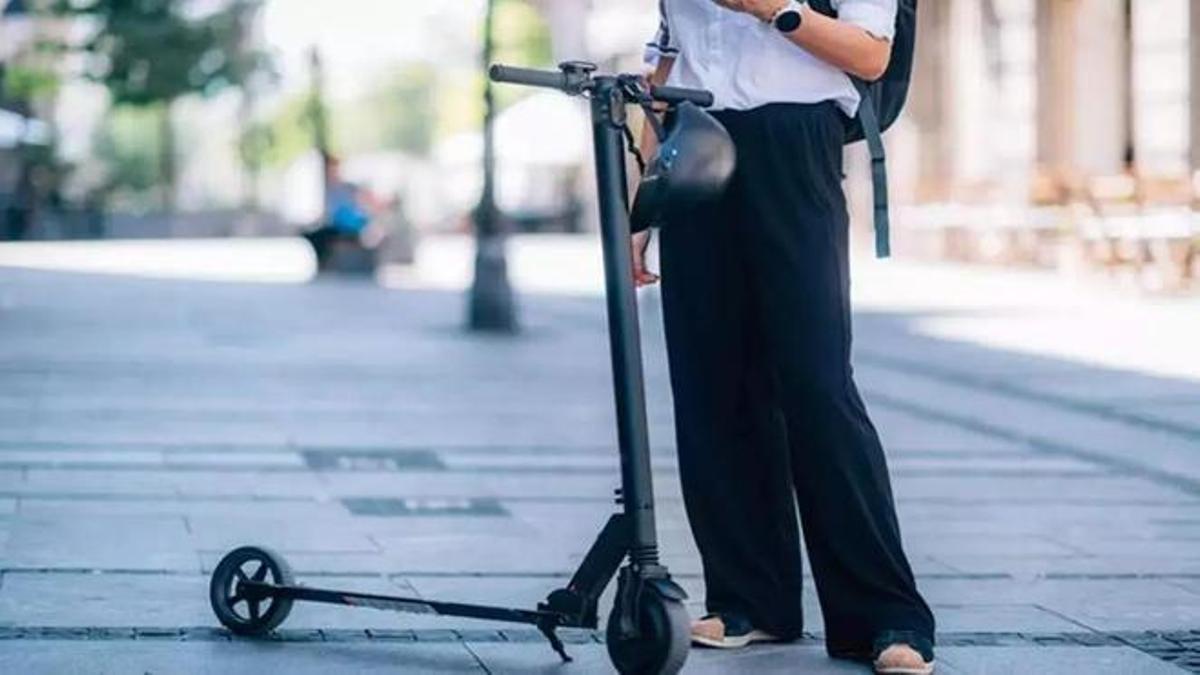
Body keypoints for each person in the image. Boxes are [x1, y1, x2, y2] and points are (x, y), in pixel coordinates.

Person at [634, 1, 936, 673]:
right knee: (711, 383)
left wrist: (770, 7)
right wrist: (642, 207)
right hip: (697, 144)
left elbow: (871, 55)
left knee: (817, 384)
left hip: (794, 143)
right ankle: (750, 600)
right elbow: (666, 68)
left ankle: (886, 615)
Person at [303, 157, 374, 268]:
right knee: (313, 234)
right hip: (336, 225)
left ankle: (324, 263)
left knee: (322, 235)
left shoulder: (349, 188)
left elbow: (360, 210)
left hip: (348, 226)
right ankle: (323, 262)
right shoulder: (328, 189)